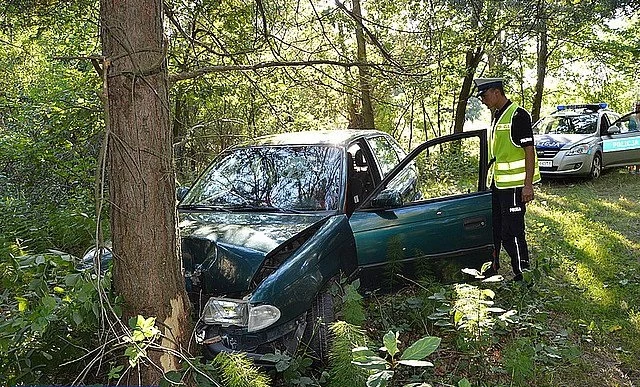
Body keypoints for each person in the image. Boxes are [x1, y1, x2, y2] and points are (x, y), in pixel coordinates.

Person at [474, 78, 541, 282]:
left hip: (514, 187)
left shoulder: (518, 115)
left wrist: (527, 185)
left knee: (512, 231)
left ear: (496, 92)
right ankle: (493, 267)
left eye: (484, 96)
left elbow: (529, 151)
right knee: (496, 228)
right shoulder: (497, 115)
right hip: (499, 184)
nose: (483, 101)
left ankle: (523, 274)